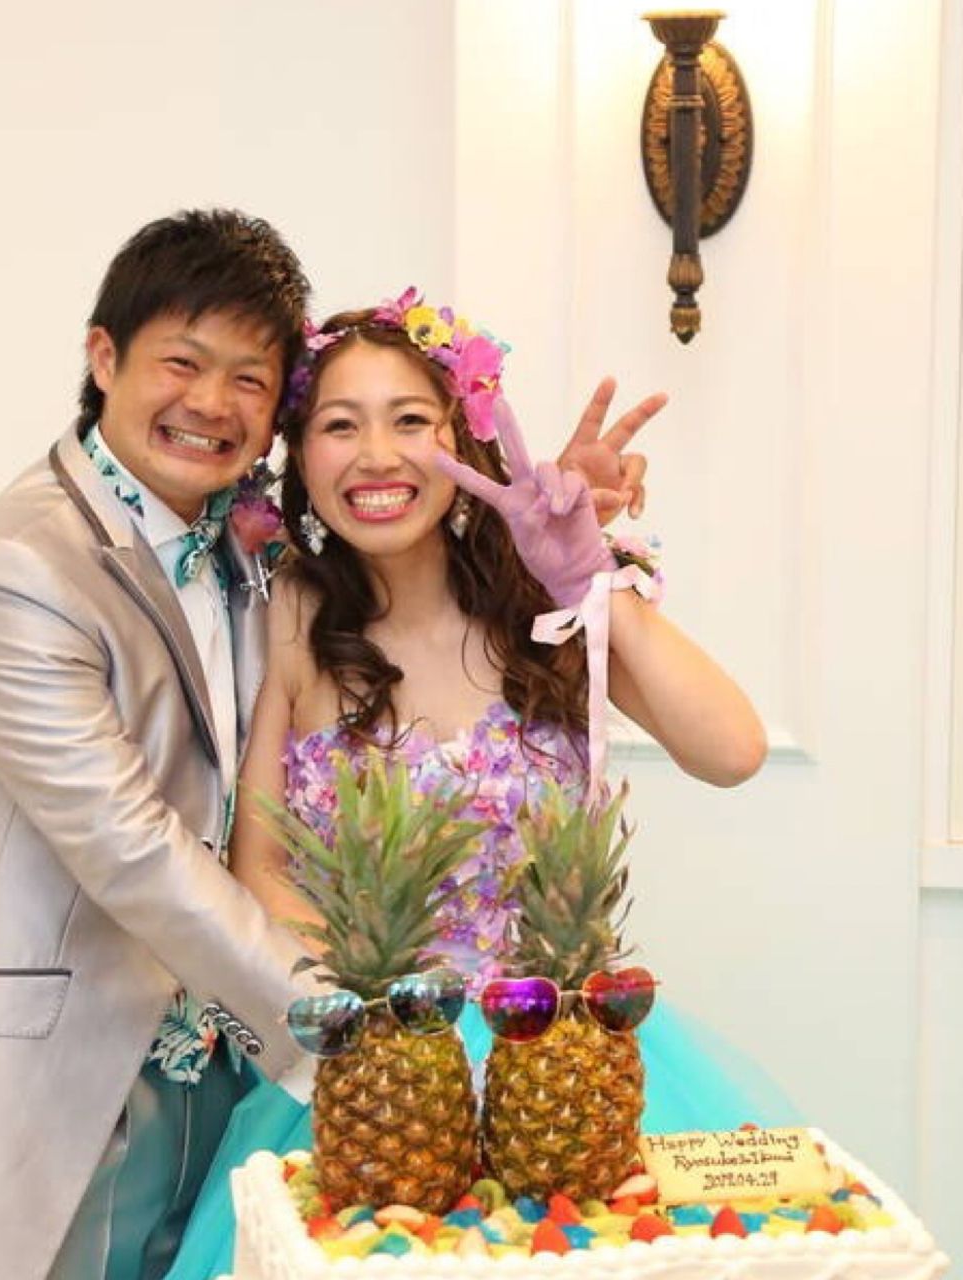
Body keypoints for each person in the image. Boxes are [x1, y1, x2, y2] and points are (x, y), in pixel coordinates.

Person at [0, 219, 659, 1280]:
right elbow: (130, 847)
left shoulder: (260, 555)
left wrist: (571, 558)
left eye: (249, 378)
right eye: (181, 363)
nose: (212, 402)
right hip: (55, 1070)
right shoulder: (22, 566)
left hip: (218, 1079)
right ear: (103, 358)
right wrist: (365, 1031)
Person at [163, 292, 788, 1280]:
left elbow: (733, 750)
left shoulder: (548, 603)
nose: (376, 455)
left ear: (465, 439)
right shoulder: (289, 613)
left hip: (564, 1068)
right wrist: (383, 1039)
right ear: (298, 455)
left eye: (410, 419)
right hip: (378, 1077)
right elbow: (263, 868)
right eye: (339, 424)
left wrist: (590, 579)